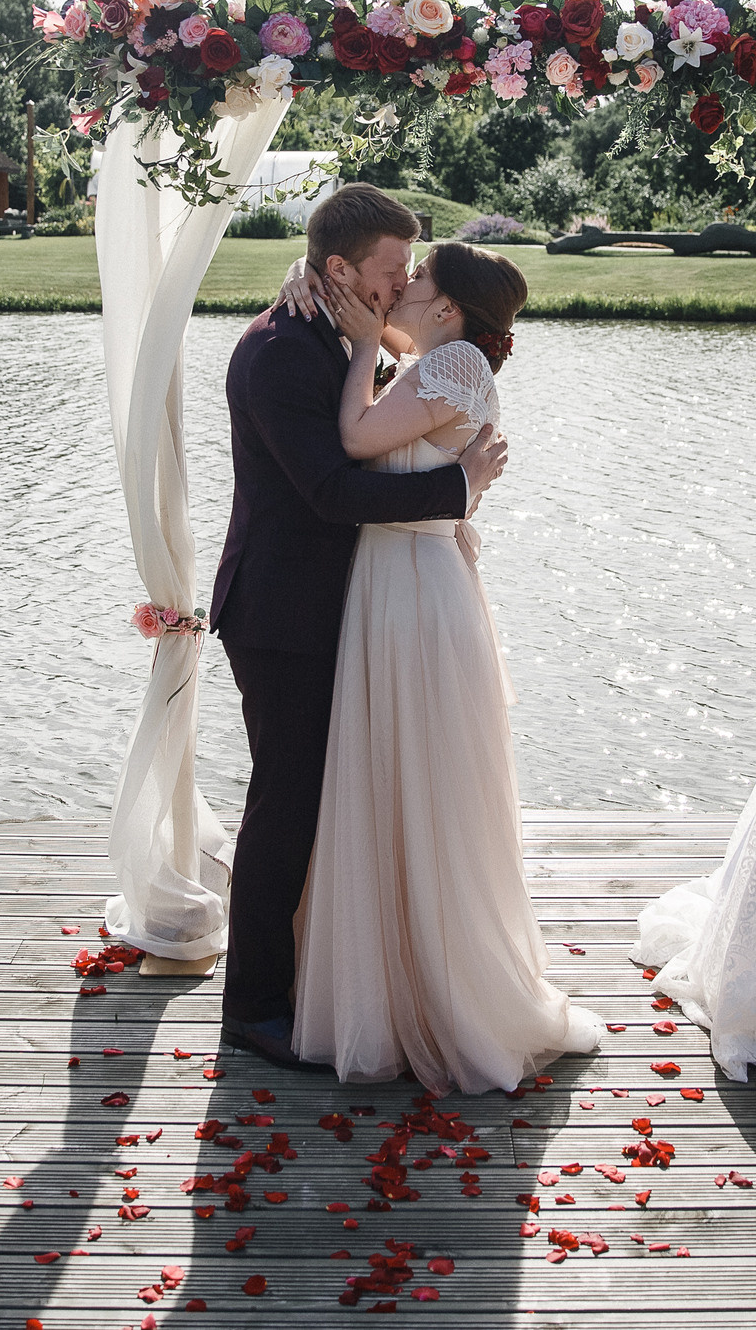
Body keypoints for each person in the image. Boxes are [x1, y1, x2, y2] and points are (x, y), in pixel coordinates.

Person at [291, 241, 605, 1089]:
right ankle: (400, 988)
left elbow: (357, 437)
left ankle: (446, 993)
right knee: (396, 784)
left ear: (449, 307)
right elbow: (396, 359)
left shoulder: (456, 362)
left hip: (418, 596)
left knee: (424, 784)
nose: (404, 284)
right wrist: (352, 311)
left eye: (419, 278)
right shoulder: (435, 357)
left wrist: (362, 342)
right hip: (398, 585)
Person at [209, 186, 510, 1069]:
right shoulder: (277, 356)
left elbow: (408, 374)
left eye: (410, 270)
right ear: (339, 270)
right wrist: (458, 487)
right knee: (286, 805)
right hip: (281, 612)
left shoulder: (328, 322)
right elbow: (331, 492)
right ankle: (254, 1005)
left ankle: (324, 975)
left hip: (346, 606)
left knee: (325, 800)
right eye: (391, 270)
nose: (405, 282)